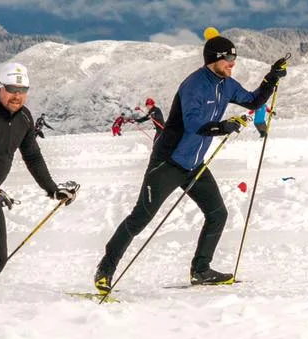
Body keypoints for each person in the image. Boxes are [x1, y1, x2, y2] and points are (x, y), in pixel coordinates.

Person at [93, 30, 288, 294]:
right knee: (141, 218)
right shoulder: (194, 85)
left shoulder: (226, 84)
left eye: (235, 57)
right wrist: (223, 127)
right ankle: (105, 270)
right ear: (214, 59)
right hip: (169, 163)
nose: (233, 63)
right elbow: (194, 124)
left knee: (217, 213)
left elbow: (253, 100)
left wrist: (271, 78)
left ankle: (201, 270)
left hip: (194, 165)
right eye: (229, 58)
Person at [0, 62, 80, 300]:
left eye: (22, 90)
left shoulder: (25, 119)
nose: (17, 95)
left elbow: (32, 156)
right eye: (11, 89)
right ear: (0, 89)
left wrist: (53, 190)